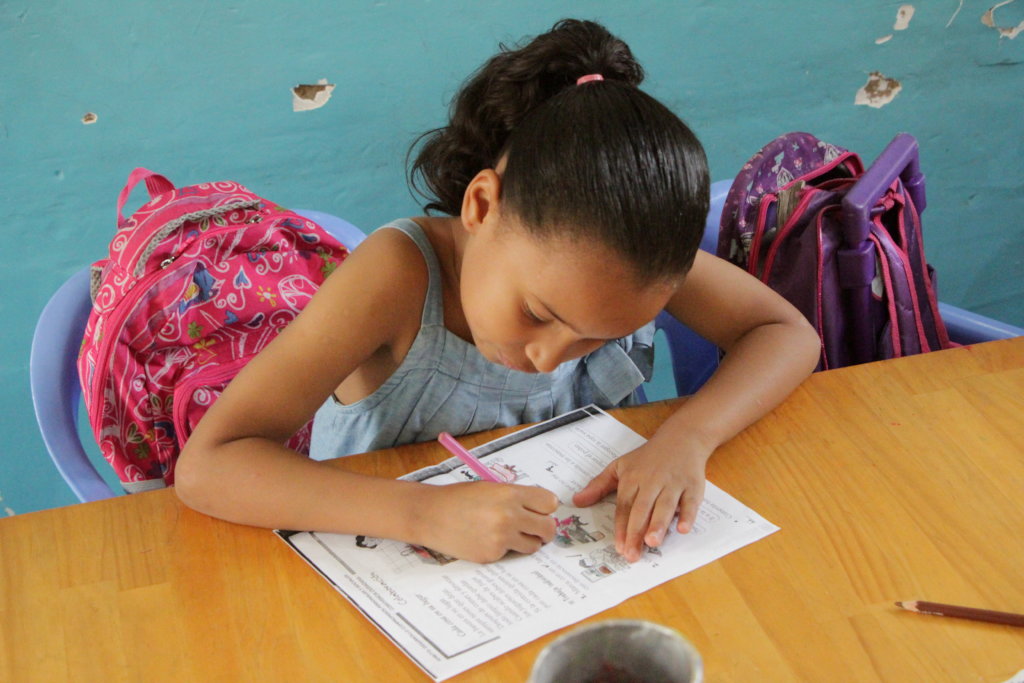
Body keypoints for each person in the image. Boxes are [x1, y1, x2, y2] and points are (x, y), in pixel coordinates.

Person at [176, 19, 820, 564]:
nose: (551, 357)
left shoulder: (631, 260)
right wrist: (421, 514)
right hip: (394, 579)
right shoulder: (397, 278)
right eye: (539, 314)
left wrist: (688, 438)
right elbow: (210, 466)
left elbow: (786, 335)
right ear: (482, 204)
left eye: (600, 336)